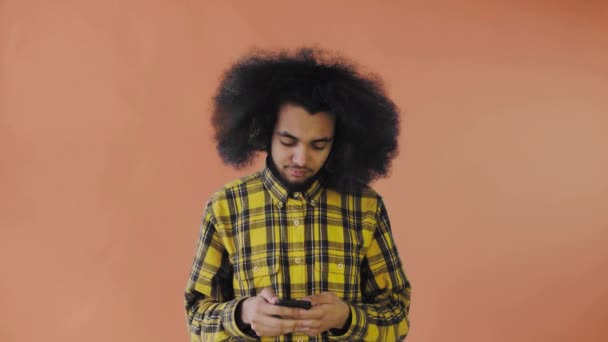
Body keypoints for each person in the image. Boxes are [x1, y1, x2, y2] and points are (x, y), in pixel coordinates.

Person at [184, 47, 411, 341]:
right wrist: (244, 314)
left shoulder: (365, 208)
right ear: (265, 133)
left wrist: (346, 317)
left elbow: (398, 317)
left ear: (338, 143)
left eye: (318, 145)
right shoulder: (226, 207)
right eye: (288, 141)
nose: (301, 158)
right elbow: (196, 318)